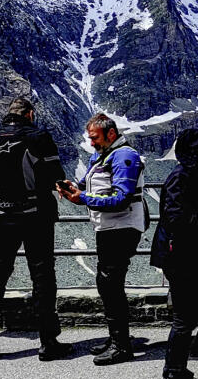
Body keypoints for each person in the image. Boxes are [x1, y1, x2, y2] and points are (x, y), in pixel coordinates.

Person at [0, 97, 72, 362]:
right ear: (29, 114)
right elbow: (55, 175)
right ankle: (48, 342)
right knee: (42, 275)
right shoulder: (38, 136)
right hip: (35, 213)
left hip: (1, 213)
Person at [56, 113, 147, 366]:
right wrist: (71, 186)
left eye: (94, 138)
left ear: (110, 134)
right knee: (107, 284)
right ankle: (116, 339)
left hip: (123, 226)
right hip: (108, 227)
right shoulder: (101, 155)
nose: (91, 142)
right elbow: (86, 184)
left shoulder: (124, 156)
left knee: (110, 283)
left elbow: (122, 197)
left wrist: (82, 199)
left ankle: (121, 346)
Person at [150, 128, 198, 379]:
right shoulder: (179, 177)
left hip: (193, 257)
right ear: (194, 151)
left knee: (187, 319)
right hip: (181, 259)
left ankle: (177, 373)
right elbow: (177, 219)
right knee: (183, 320)